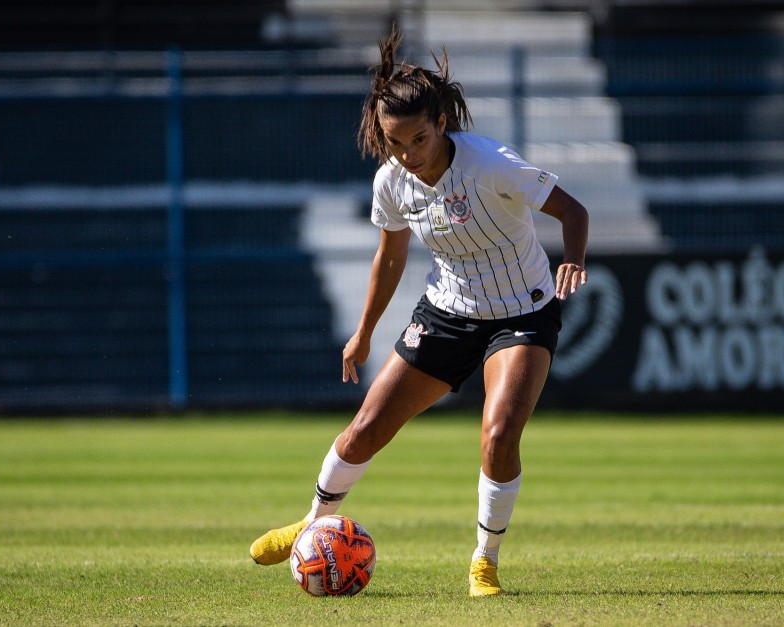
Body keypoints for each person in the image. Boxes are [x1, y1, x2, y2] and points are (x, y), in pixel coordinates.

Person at [250, 28, 589, 597]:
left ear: (441, 123)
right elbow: (389, 260)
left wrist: (573, 261)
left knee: (500, 432)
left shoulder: (490, 164)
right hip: (447, 312)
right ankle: (312, 524)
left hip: (522, 313)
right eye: (395, 142)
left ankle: (485, 562)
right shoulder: (392, 182)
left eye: (418, 139)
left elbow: (573, 210)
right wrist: (362, 335)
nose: (409, 154)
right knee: (364, 430)